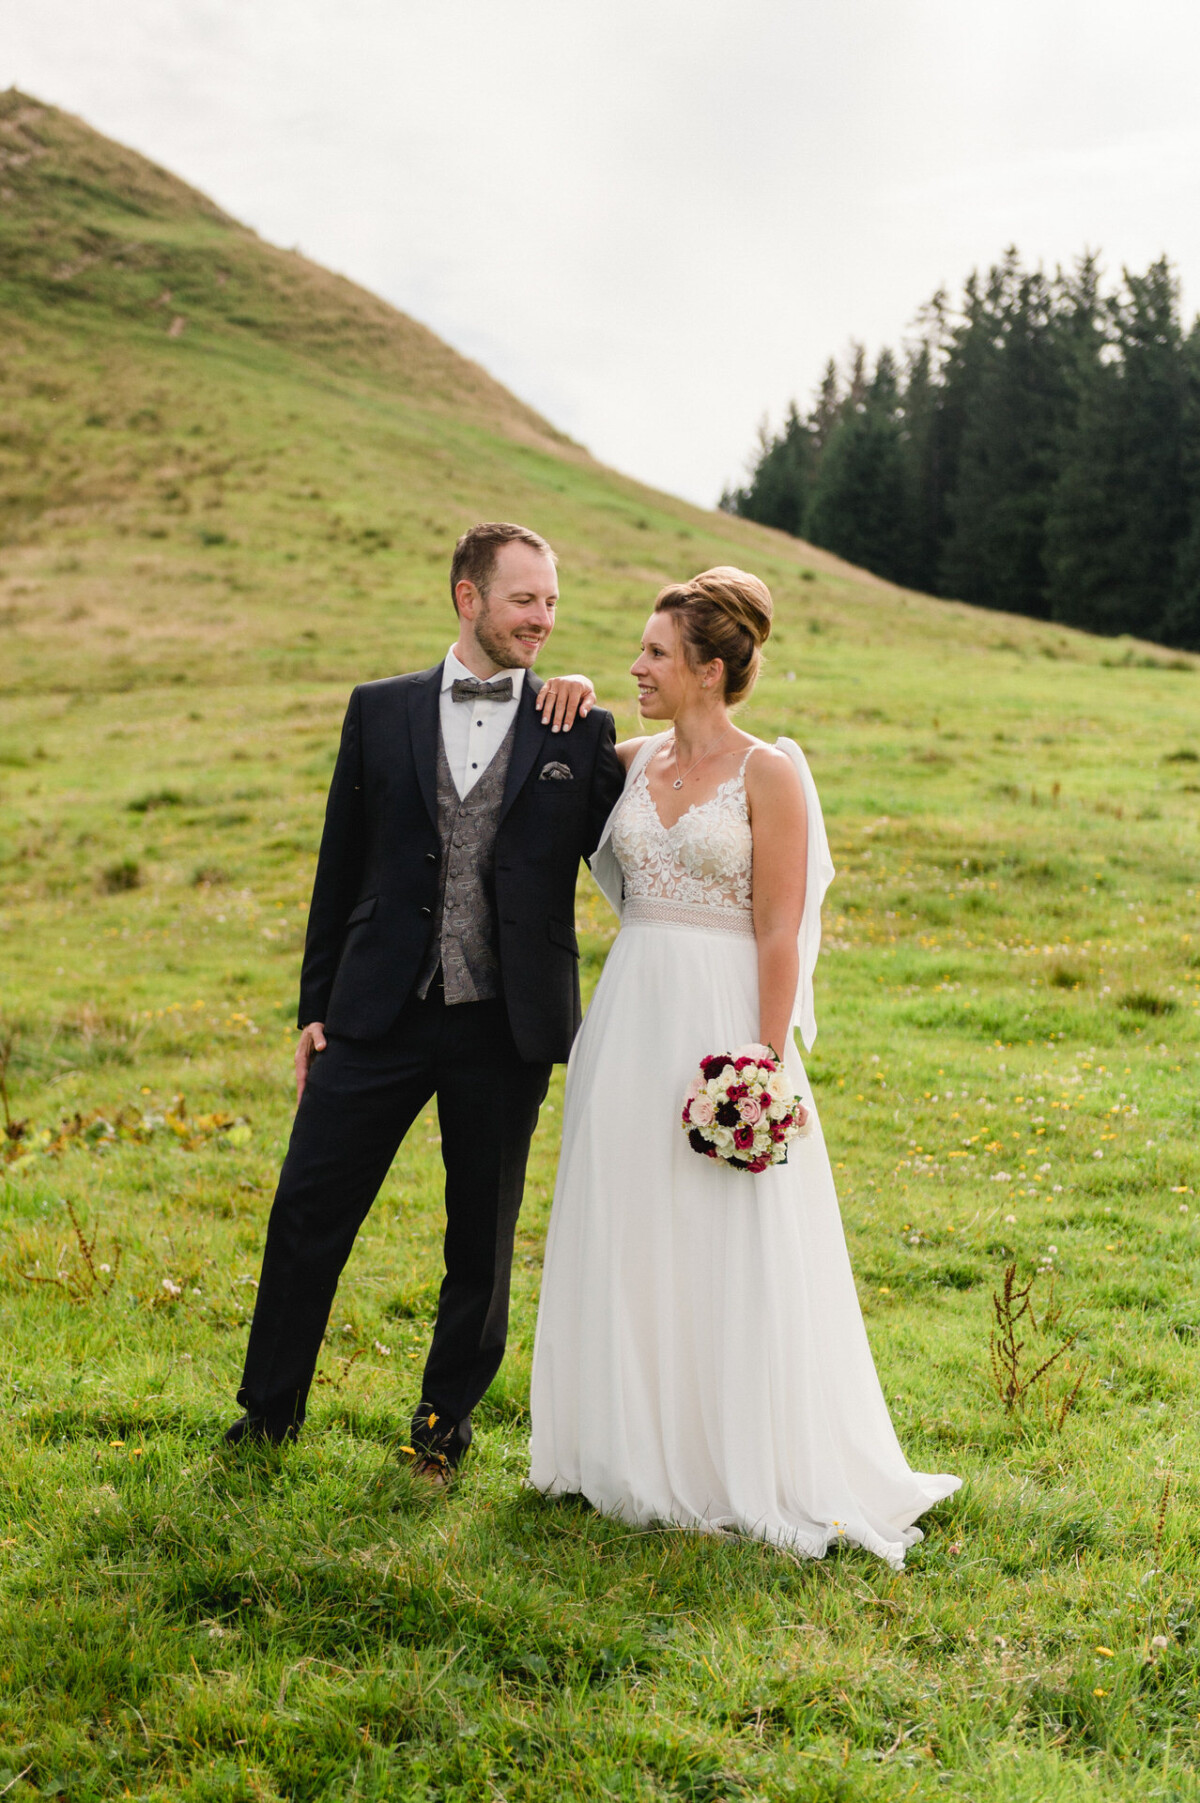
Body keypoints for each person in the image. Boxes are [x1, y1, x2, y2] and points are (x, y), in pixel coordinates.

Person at [528, 567, 960, 1567]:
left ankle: (737, 1455)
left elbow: (779, 929)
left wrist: (762, 1067)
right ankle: (625, 1445)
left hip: (723, 1023)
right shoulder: (625, 760)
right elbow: (545, 760)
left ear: (710, 669)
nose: (637, 667)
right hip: (630, 1016)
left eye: (655, 653)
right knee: (629, 1219)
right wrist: (572, 693)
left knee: (726, 1229)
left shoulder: (770, 773)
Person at [226, 522, 623, 1479]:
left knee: (480, 1238)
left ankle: (441, 1428)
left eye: (552, 601)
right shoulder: (379, 709)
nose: (543, 618)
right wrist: (314, 1007)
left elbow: (641, 829)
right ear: (467, 597)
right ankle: (268, 1415)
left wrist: (592, 700)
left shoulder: (576, 727)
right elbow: (340, 861)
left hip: (506, 1021)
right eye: (524, 599)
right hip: (376, 1010)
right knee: (307, 1209)